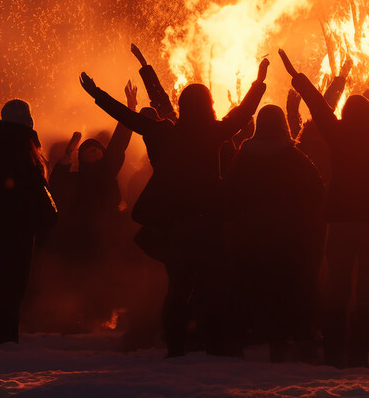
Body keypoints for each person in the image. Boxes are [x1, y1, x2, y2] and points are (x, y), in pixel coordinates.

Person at [79, 54, 268, 356]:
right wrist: (258, 82)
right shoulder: (215, 131)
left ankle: (176, 345)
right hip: (209, 223)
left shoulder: (166, 132)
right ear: (208, 105)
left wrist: (96, 94)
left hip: (177, 224)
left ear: (182, 106)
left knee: (177, 287)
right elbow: (245, 113)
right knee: (211, 285)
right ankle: (214, 343)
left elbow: (129, 118)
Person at [279, 46, 369, 368]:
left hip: (341, 221)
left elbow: (317, 105)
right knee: (368, 287)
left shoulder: (335, 132)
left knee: (338, 285)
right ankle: (359, 352)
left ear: (344, 114)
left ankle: (333, 352)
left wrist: (298, 78)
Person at [224, 104, 324, 361]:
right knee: (285, 286)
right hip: (286, 237)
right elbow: (317, 190)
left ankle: (244, 336)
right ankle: (281, 340)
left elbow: (228, 194)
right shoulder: (294, 157)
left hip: (249, 236)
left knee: (251, 286)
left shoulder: (243, 156)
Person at [0, 100, 57, 347]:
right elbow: (36, 191)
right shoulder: (26, 153)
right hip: (19, 229)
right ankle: (6, 338)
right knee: (13, 286)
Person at [48, 90, 133, 332]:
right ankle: (82, 318)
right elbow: (57, 184)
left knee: (105, 277)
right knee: (84, 278)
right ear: (81, 157)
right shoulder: (77, 178)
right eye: (88, 150)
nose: (94, 151)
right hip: (82, 237)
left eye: (97, 149)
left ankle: (102, 318)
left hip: (107, 236)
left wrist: (129, 110)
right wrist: (66, 157)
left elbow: (118, 144)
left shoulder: (107, 173)